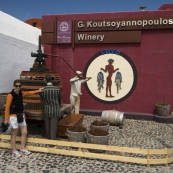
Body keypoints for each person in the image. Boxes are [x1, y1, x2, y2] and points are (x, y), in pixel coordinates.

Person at [4, 80, 43, 158]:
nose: (18, 87)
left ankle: (22, 148)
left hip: (21, 115)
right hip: (13, 116)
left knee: (24, 132)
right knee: (14, 134)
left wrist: (37, 91)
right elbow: (7, 108)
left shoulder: (21, 93)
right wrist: (6, 119)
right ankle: (14, 150)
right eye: (16, 86)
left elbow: (28, 93)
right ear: (14, 86)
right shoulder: (10, 95)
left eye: (19, 86)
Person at [40, 75, 62, 140]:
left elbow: (42, 100)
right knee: (53, 127)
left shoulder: (43, 90)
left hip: (47, 109)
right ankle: (52, 141)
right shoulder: (57, 89)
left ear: (45, 80)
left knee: (47, 126)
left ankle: (48, 139)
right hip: (55, 110)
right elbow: (59, 99)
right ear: (51, 80)